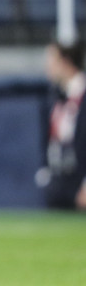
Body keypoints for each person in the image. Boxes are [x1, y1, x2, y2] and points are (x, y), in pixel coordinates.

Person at [38, 40, 86, 209]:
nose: (47, 67)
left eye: (52, 61)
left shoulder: (81, 96)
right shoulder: (55, 98)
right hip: (58, 184)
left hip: (79, 184)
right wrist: (45, 173)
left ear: (66, 62)